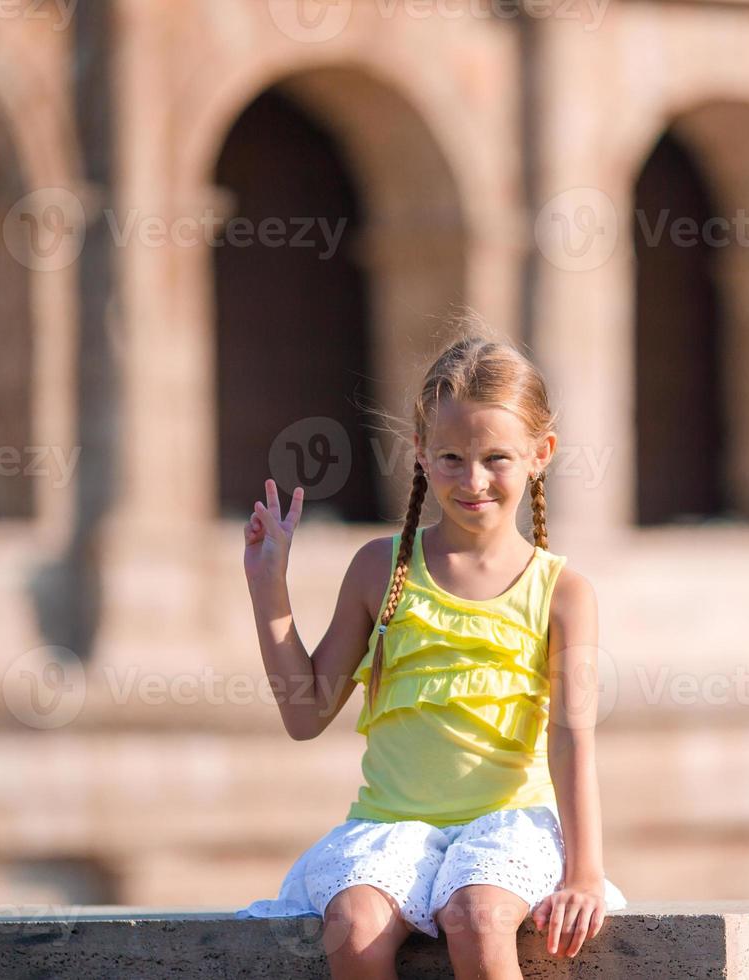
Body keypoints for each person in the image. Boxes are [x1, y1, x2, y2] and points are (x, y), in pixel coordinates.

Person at [234, 324, 627, 980]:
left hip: (509, 827)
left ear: (541, 454)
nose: (472, 479)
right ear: (419, 452)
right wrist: (267, 587)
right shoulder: (378, 570)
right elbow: (305, 715)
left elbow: (571, 740)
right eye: (450, 457)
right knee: (354, 928)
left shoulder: (563, 592)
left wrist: (584, 874)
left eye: (496, 458)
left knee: (477, 918)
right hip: (391, 829)